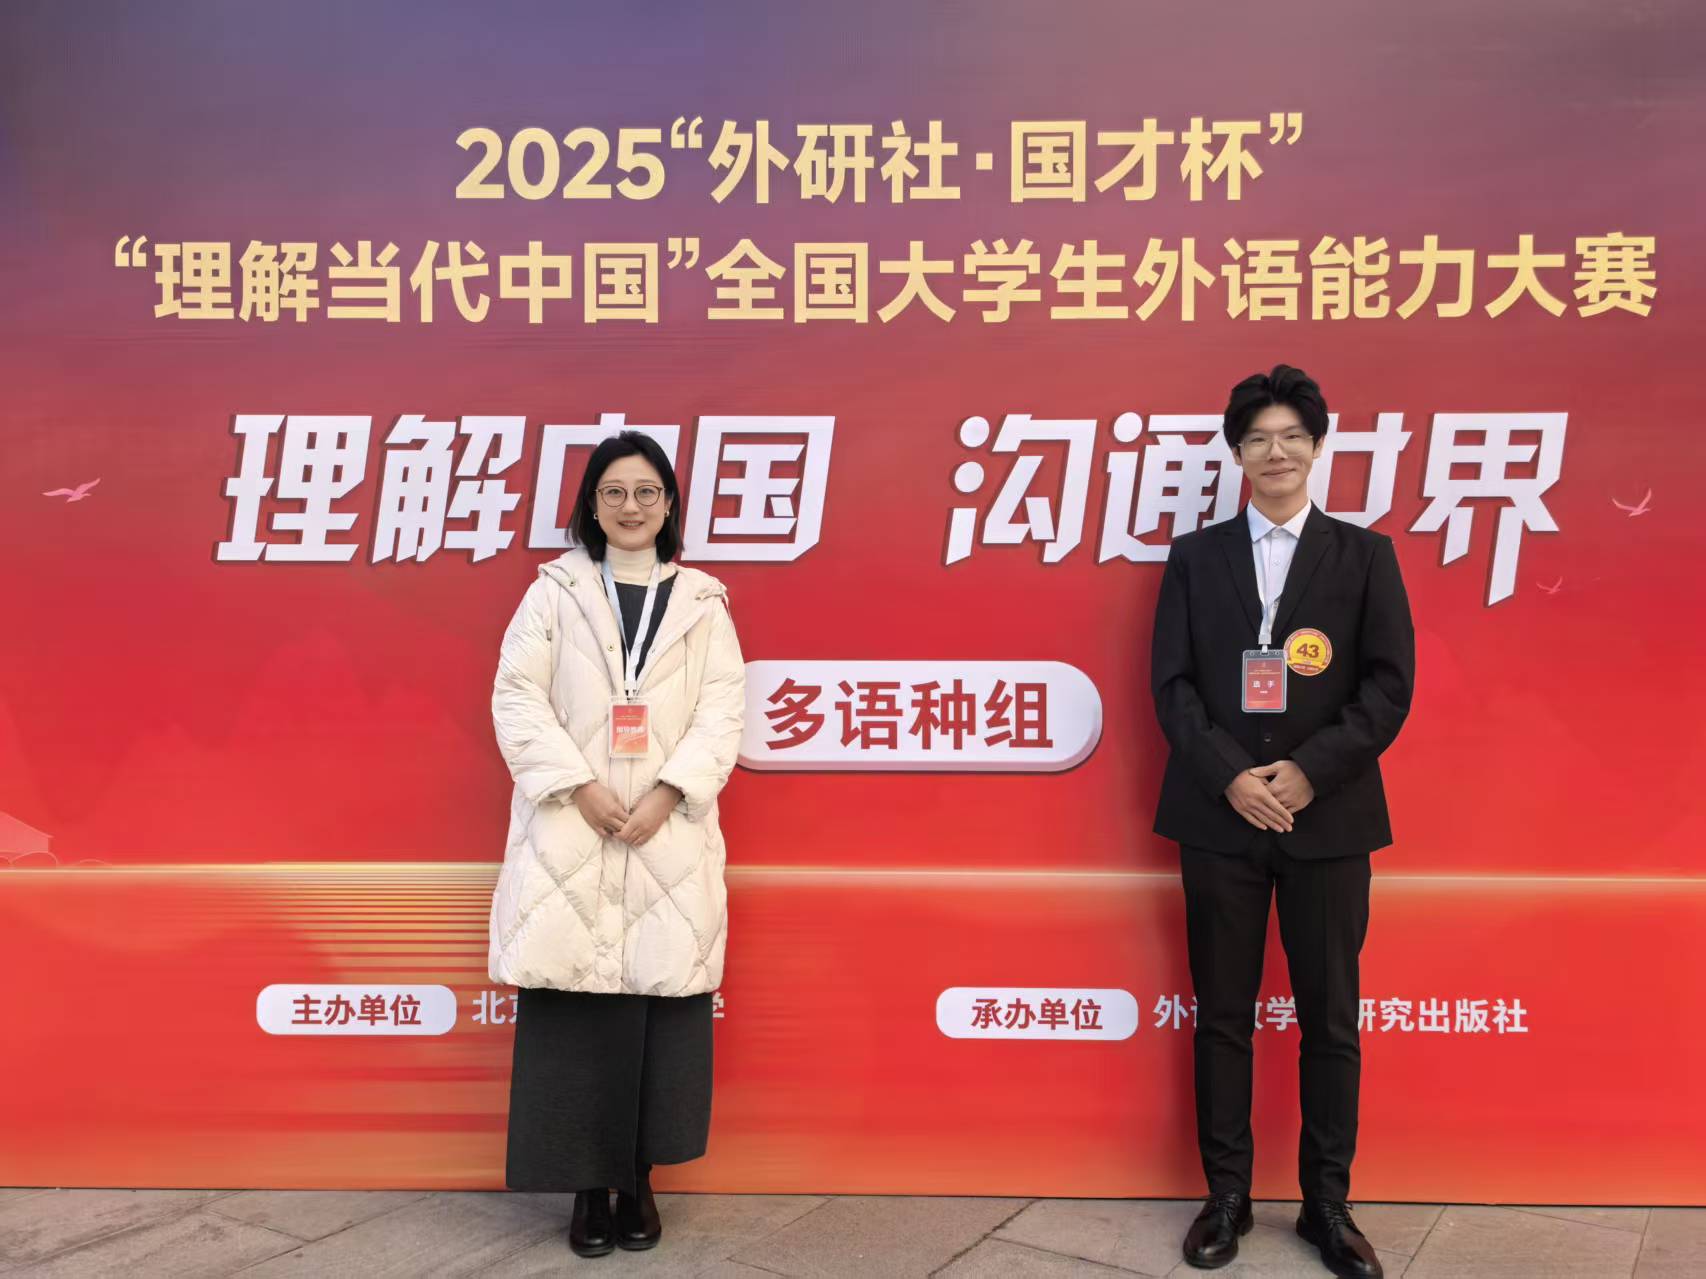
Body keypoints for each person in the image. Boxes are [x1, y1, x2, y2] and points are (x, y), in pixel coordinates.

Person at [1150, 366, 1414, 1278]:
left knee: (1330, 1018)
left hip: (1328, 819)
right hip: (1219, 818)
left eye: (1292, 436)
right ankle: (1226, 1196)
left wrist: (1308, 772)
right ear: (1237, 452)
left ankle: (1327, 1205)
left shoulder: (1365, 555)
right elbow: (1172, 686)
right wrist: (1231, 776)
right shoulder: (1196, 557)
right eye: (1258, 438)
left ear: (1317, 446)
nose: (1276, 452)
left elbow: (1388, 686)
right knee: (1223, 1015)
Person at [487, 430, 745, 1258]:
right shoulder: (553, 592)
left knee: (658, 1012)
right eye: (614, 492)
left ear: (668, 505)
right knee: (574, 1008)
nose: (630, 506)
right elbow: (517, 697)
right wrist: (580, 786)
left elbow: (723, 712)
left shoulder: (703, 602)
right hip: (573, 827)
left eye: (646, 491)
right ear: (591, 506)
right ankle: (585, 1189)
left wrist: (670, 791)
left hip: (668, 834)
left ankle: (637, 1179)